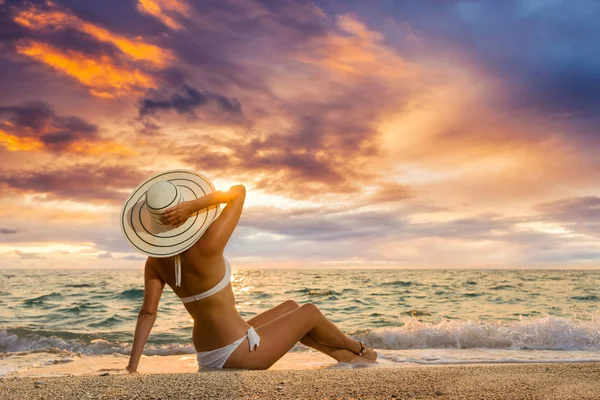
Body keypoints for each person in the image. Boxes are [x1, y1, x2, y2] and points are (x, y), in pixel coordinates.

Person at [122, 171, 377, 372]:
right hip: (237, 352)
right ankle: (361, 350)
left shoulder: (155, 259)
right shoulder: (209, 242)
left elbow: (147, 313)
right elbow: (238, 192)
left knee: (290, 307)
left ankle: (344, 357)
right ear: (183, 210)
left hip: (206, 353)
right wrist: (194, 206)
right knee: (309, 312)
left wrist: (132, 367)